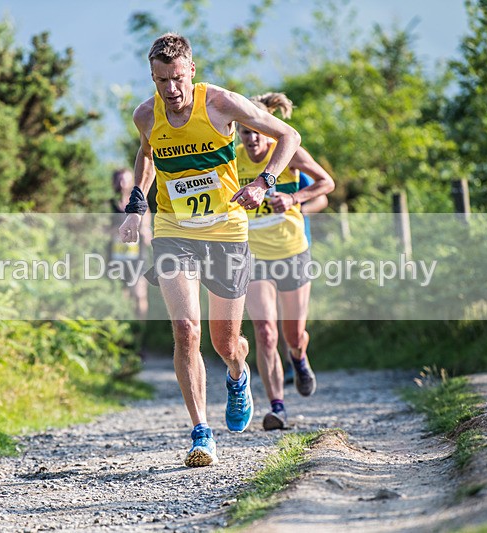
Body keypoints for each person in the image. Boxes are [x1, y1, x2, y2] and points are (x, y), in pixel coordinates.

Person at [118, 33, 301, 467]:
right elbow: (146, 155)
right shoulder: (146, 114)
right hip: (174, 230)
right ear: (153, 77)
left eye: (177, 78)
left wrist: (263, 182)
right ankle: (201, 433)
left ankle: (239, 375)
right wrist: (136, 206)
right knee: (186, 330)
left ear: (191, 72)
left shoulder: (220, 103)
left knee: (224, 342)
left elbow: (288, 135)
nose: (171, 90)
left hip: (225, 232)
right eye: (161, 80)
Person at [236, 92, 335, 431]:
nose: (250, 139)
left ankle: (298, 355)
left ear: (268, 129)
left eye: (255, 132)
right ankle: (278, 407)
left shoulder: (288, 153)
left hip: (292, 251)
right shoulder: (232, 161)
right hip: (253, 255)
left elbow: (327, 183)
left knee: (293, 333)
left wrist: (293, 198)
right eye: (244, 132)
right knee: (265, 332)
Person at [282, 170, 329, 385]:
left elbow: (322, 198)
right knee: (269, 316)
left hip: (297, 246)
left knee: (292, 318)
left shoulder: (294, 168)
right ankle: (285, 364)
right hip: (262, 248)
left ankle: (296, 356)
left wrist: (298, 208)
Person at [109, 168, 150, 322]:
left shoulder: (139, 204)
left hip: (137, 257)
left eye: (125, 180)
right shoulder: (109, 204)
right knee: (120, 295)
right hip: (115, 258)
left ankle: (140, 331)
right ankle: (121, 333)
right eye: (118, 180)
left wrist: (144, 231)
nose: (122, 184)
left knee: (139, 294)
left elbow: (146, 229)